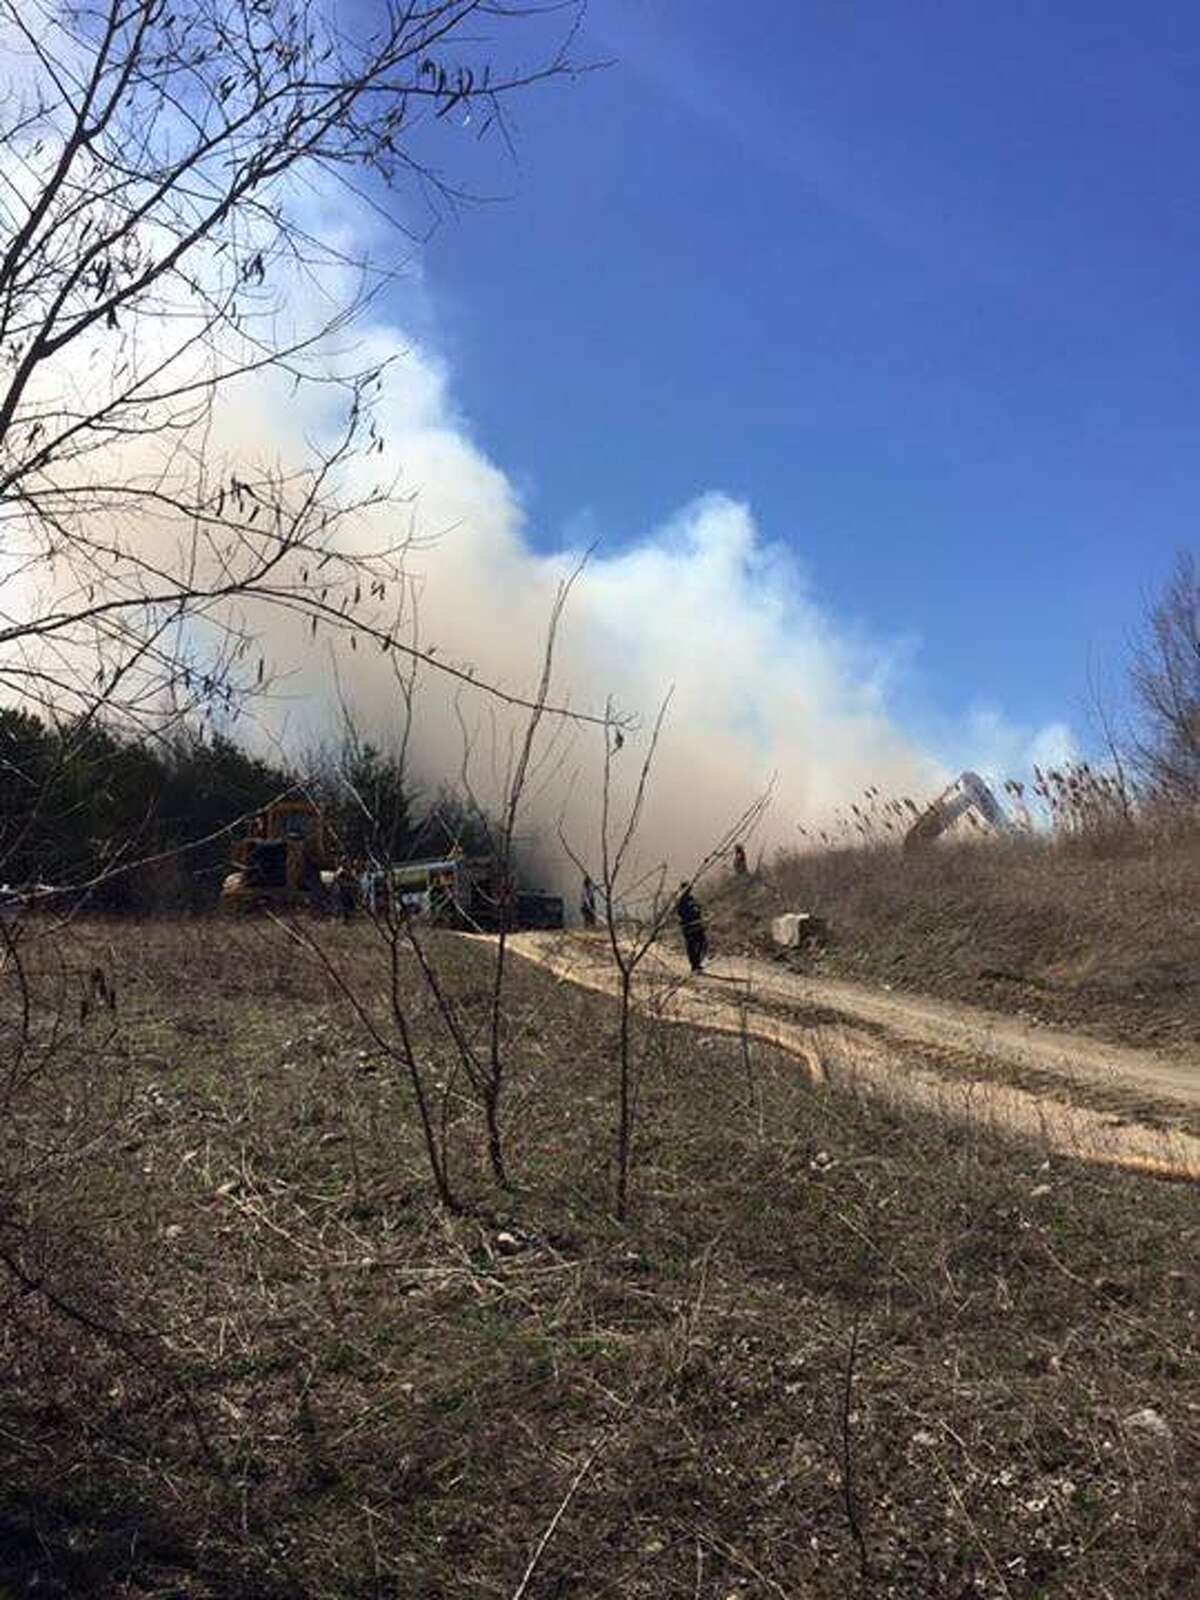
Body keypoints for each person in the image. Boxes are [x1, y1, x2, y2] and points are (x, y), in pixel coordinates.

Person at [676, 881, 708, 973]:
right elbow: (680, 913)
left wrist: (699, 913)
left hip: (697, 925)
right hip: (688, 926)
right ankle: (695, 965)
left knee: (702, 943)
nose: (689, 890)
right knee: (692, 946)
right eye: (688, 888)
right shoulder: (680, 900)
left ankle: (697, 963)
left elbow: (699, 909)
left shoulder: (691, 899)